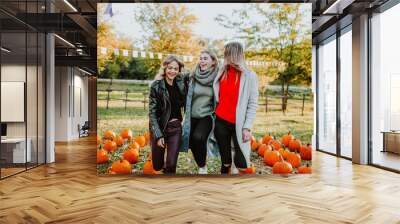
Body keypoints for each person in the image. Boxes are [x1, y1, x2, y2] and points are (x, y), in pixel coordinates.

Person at [213, 42, 259, 174]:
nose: (226, 57)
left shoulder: (250, 76)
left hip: (238, 123)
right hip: (221, 121)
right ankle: (225, 173)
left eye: (228, 54)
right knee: (225, 159)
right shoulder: (222, 72)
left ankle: (235, 172)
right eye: (225, 54)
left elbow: (252, 104)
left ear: (237, 55)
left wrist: (247, 127)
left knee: (241, 162)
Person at [181, 50, 219, 174]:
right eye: (201, 58)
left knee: (198, 138)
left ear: (213, 62)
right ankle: (201, 164)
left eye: (205, 59)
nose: (202, 61)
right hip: (191, 116)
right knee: (190, 141)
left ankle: (202, 167)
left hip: (206, 116)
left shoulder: (217, 79)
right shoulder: (192, 77)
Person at [149, 55, 187, 174]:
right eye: (170, 68)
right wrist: (158, 135)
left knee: (171, 165)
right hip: (160, 127)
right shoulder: (156, 86)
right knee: (157, 165)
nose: (173, 71)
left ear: (179, 71)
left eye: (176, 69)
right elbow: (152, 113)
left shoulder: (181, 83)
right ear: (165, 68)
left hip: (175, 128)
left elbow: (196, 73)